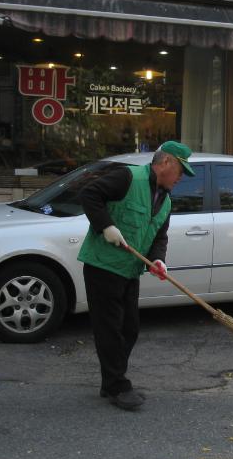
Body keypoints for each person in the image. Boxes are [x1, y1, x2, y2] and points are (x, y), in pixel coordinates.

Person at [78, 140, 194, 410]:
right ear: (165, 163)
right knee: (110, 330)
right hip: (103, 266)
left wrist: (157, 259)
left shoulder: (165, 201)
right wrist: (105, 225)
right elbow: (89, 194)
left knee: (129, 329)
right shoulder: (127, 178)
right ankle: (118, 385)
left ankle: (111, 382)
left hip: (129, 270)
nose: (181, 179)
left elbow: (159, 236)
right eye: (180, 171)